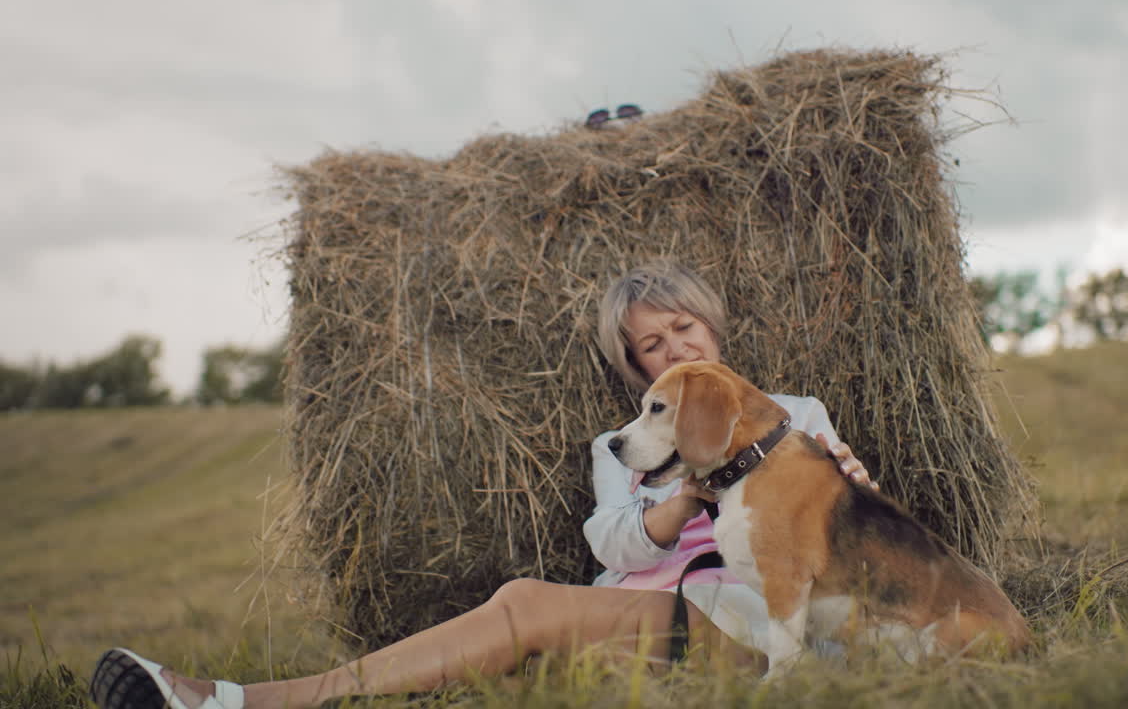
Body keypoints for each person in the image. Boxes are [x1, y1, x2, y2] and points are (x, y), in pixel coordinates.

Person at [90, 261, 874, 709]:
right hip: (651, 606)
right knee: (527, 624)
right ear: (632, 365)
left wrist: (850, 494)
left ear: (712, 329)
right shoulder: (623, 445)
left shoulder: (796, 414)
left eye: (684, 330)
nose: (672, 348)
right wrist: (678, 504)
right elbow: (612, 545)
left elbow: (848, 545)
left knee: (527, 604)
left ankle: (237, 704)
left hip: (746, 622)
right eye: (650, 344)